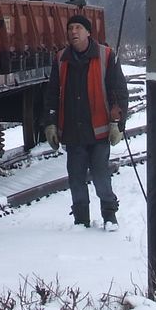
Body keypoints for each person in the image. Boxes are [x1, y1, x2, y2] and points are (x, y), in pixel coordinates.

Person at [43, 14, 128, 229]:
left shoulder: (106, 56)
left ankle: (109, 215)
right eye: (70, 28)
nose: (73, 32)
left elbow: (118, 92)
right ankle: (81, 220)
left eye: (78, 28)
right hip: (73, 132)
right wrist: (50, 122)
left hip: (98, 132)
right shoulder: (61, 58)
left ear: (88, 32)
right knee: (76, 178)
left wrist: (117, 124)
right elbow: (52, 93)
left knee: (101, 176)